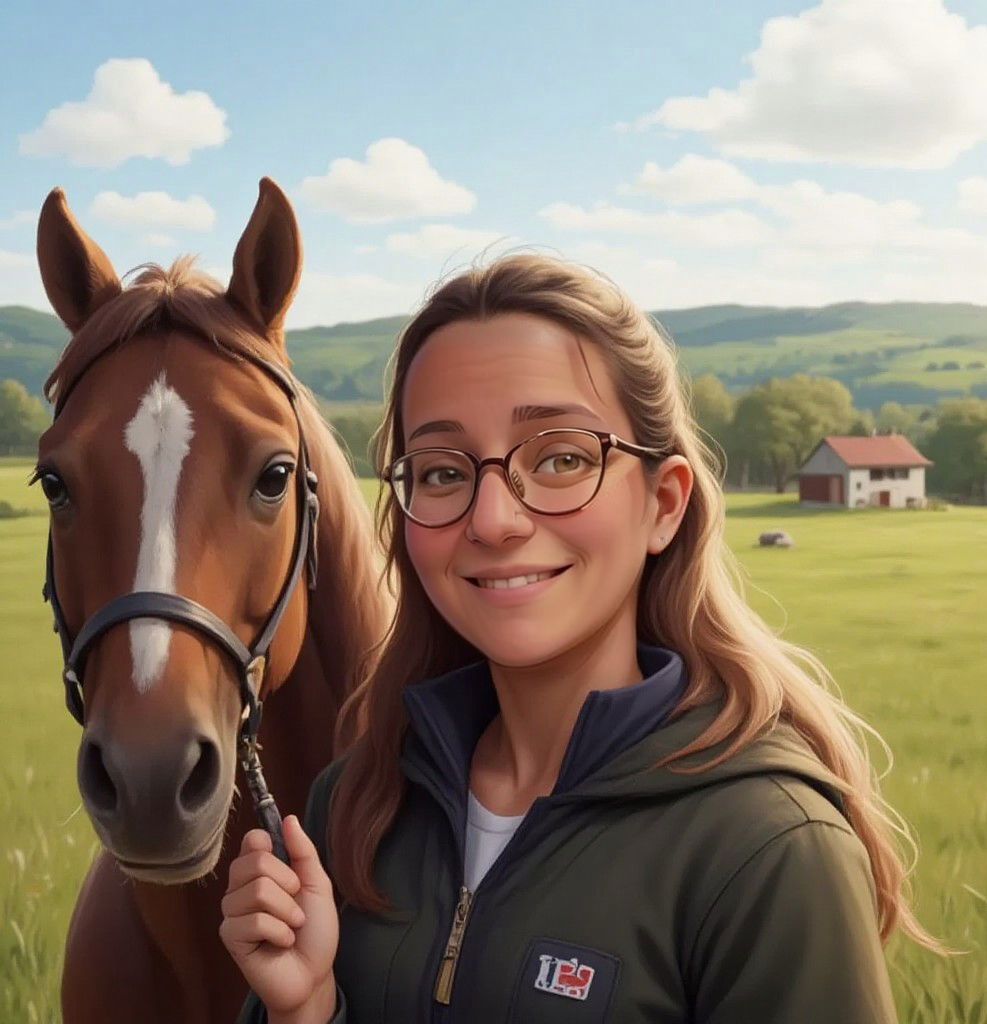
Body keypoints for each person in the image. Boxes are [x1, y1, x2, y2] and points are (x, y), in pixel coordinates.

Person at [220, 254, 937, 1023]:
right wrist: (307, 1011)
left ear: (664, 504)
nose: (493, 518)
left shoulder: (765, 851)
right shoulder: (358, 806)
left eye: (561, 458)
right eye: (440, 472)